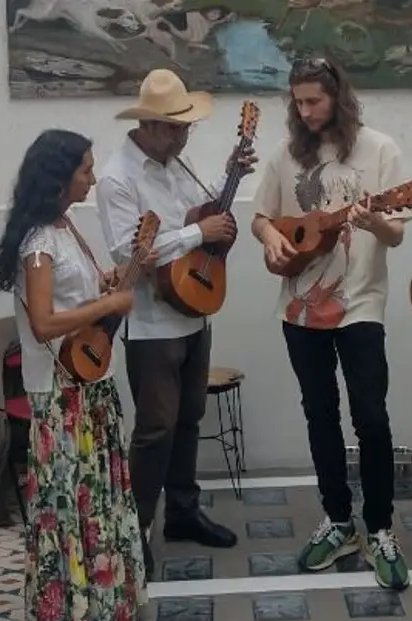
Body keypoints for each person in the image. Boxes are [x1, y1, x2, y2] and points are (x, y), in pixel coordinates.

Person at [251, 57, 412, 591]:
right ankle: (339, 521)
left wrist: (373, 220)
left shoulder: (380, 150)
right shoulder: (285, 155)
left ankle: (382, 528)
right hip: (298, 309)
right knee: (319, 413)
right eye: (297, 102)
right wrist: (271, 238)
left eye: (314, 101)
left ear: (338, 98)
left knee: (371, 417)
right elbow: (260, 216)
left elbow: (396, 232)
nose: (305, 111)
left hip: (360, 304)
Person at [0, 129, 151, 621]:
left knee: (96, 503)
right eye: (85, 169)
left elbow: (73, 297)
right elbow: (43, 323)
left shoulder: (67, 228)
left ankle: (102, 606)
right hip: (60, 396)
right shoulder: (39, 242)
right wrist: (108, 307)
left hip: (88, 389)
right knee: (67, 510)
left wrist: (109, 283)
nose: (93, 177)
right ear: (60, 178)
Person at [95, 69, 256, 579]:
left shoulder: (177, 163)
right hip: (149, 323)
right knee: (154, 430)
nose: (181, 136)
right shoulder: (117, 176)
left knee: (188, 419)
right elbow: (128, 252)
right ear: (145, 124)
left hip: (192, 313)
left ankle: (183, 514)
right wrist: (195, 234)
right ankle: (135, 529)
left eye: (185, 127)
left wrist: (230, 174)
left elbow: (204, 215)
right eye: (171, 128)